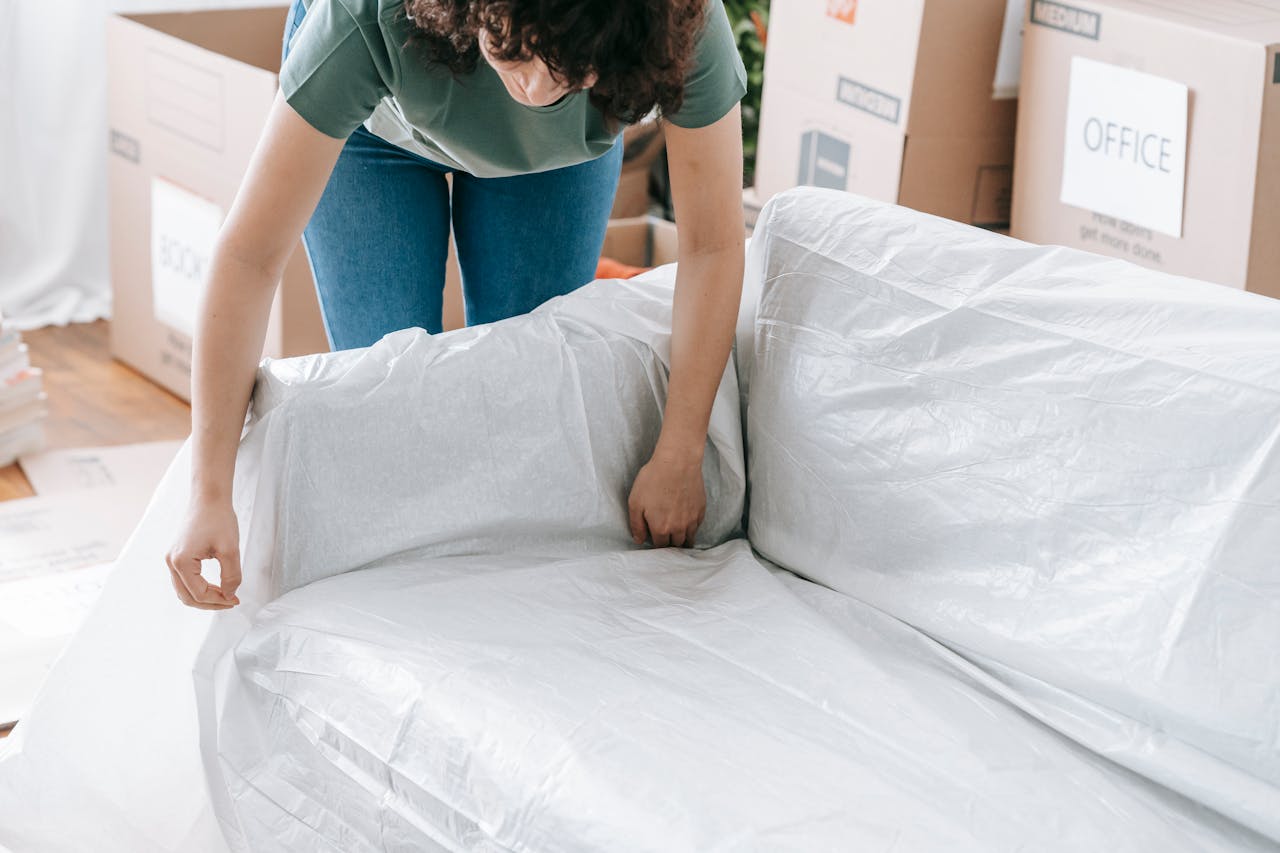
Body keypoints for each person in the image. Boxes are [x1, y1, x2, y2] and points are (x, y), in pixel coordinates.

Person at [166, 0, 748, 610]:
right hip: (381, 122)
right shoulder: (368, 14)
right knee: (386, 417)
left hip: (556, 154)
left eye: (566, 72)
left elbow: (711, 246)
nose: (532, 88)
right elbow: (250, 255)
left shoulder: (675, 23)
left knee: (529, 397)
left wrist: (681, 451)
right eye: (516, 55)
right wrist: (209, 490)